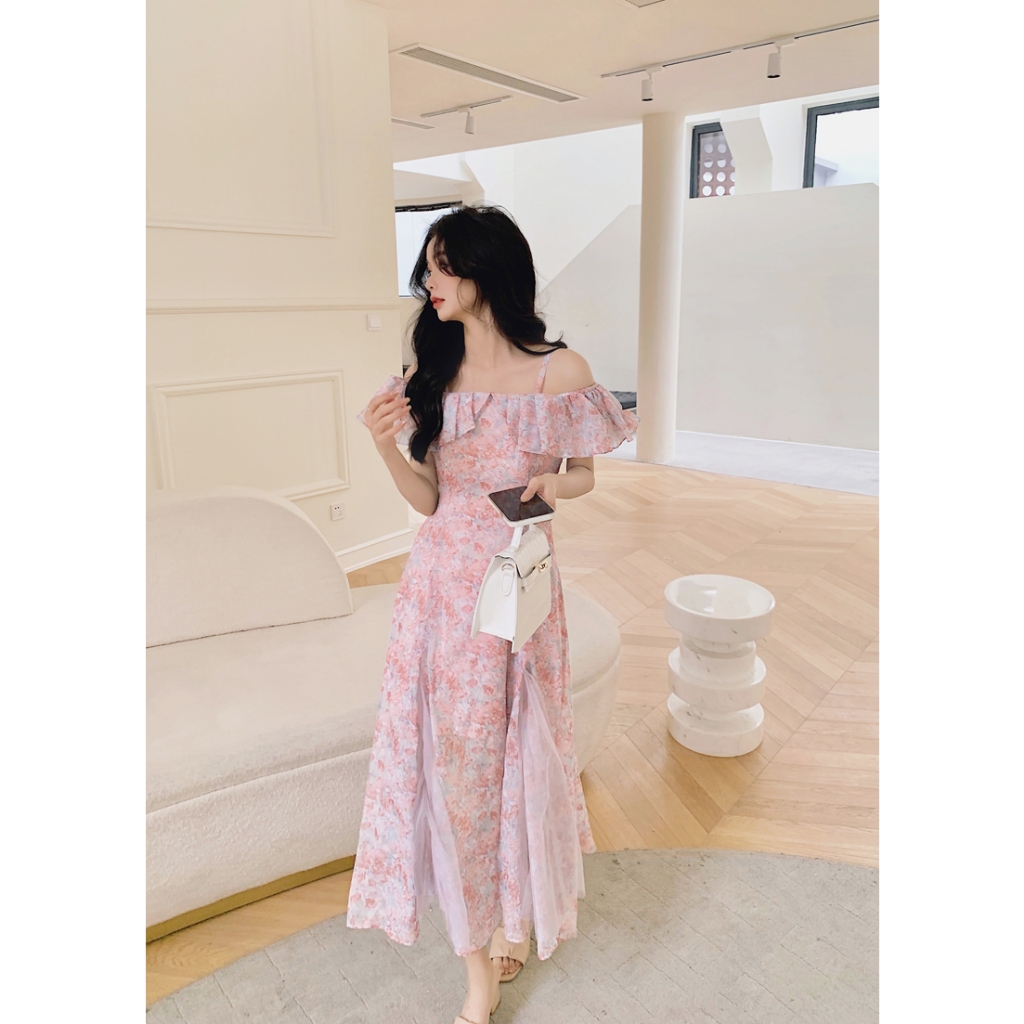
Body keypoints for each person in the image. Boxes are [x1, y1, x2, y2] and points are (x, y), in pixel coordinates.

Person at [346, 205, 639, 1024]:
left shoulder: (560, 372)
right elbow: (430, 500)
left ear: (488, 269)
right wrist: (382, 445)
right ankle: (476, 964)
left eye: (444, 265)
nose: (428, 281)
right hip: (440, 589)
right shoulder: (430, 371)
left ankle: (512, 912)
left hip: (518, 585)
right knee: (457, 766)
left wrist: (553, 485)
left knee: (515, 753)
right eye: (428, 265)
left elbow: (584, 474)